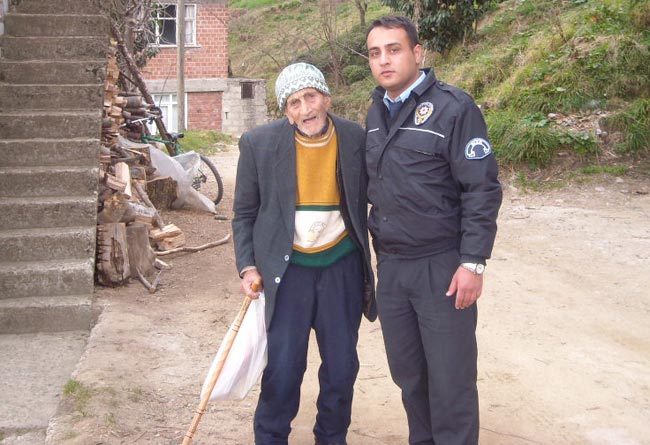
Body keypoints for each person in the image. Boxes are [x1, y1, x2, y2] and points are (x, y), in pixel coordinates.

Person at [364, 16, 503, 445]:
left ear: (417, 52)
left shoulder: (454, 108)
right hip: (392, 269)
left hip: (440, 267)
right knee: (410, 377)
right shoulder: (375, 113)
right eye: (375, 53)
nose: (384, 60)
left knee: (450, 380)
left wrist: (473, 262)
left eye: (394, 49)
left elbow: (481, 188)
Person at [232, 62, 376, 445]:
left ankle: (332, 437)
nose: (305, 109)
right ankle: (270, 437)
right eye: (294, 102)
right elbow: (244, 213)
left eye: (310, 97)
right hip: (288, 272)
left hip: (340, 267)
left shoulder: (355, 138)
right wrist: (248, 266)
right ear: (286, 111)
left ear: (326, 98)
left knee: (341, 367)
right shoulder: (259, 144)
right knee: (283, 369)